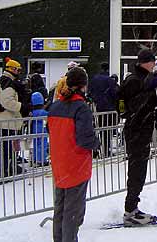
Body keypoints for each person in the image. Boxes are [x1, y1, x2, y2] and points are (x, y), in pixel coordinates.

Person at [48, 67, 100, 242]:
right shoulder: (81, 108)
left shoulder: (55, 106)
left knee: (60, 210)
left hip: (59, 163)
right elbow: (85, 138)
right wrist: (96, 143)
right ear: (83, 85)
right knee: (73, 212)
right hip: (76, 165)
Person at [119, 48, 157, 225]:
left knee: (140, 170)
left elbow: (152, 102)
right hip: (135, 130)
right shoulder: (135, 80)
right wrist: (149, 91)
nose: (154, 64)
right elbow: (131, 107)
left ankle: (133, 206)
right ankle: (130, 209)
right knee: (136, 170)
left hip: (143, 129)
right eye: (152, 61)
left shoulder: (144, 79)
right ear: (145, 62)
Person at [0, 58, 31, 179]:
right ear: (12, 69)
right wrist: (22, 107)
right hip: (7, 121)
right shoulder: (7, 82)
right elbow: (7, 102)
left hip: (9, 121)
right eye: (18, 70)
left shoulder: (6, 81)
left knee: (11, 146)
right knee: (6, 147)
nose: (19, 72)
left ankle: (9, 168)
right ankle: (0, 172)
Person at [88, 62, 117, 157]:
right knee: (107, 131)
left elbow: (90, 93)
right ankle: (106, 150)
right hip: (108, 109)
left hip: (97, 109)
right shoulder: (110, 80)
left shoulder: (94, 79)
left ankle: (97, 149)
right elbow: (114, 95)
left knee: (98, 129)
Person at [31, 92, 49, 166]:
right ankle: (41, 160)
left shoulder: (33, 112)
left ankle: (35, 159)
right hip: (42, 130)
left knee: (35, 144)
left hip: (34, 130)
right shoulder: (43, 112)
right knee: (42, 145)